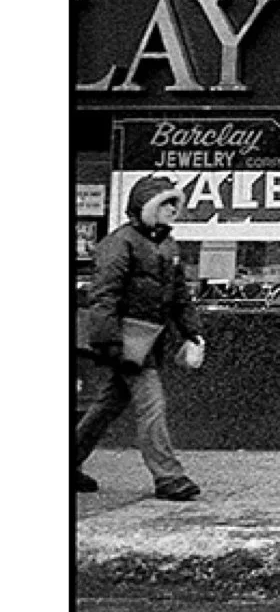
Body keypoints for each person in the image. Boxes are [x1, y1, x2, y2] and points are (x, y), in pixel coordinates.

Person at [73, 174, 206, 500]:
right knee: (152, 404)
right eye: (166, 204)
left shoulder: (166, 244)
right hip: (127, 341)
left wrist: (193, 331)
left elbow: (179, 296)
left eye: (175, 204)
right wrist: (108, 342)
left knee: (108, 405)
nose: (173, 209)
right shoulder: (120, 243)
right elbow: (104, 296)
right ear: (147, 207)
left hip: (144, 340)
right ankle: (169, 476)